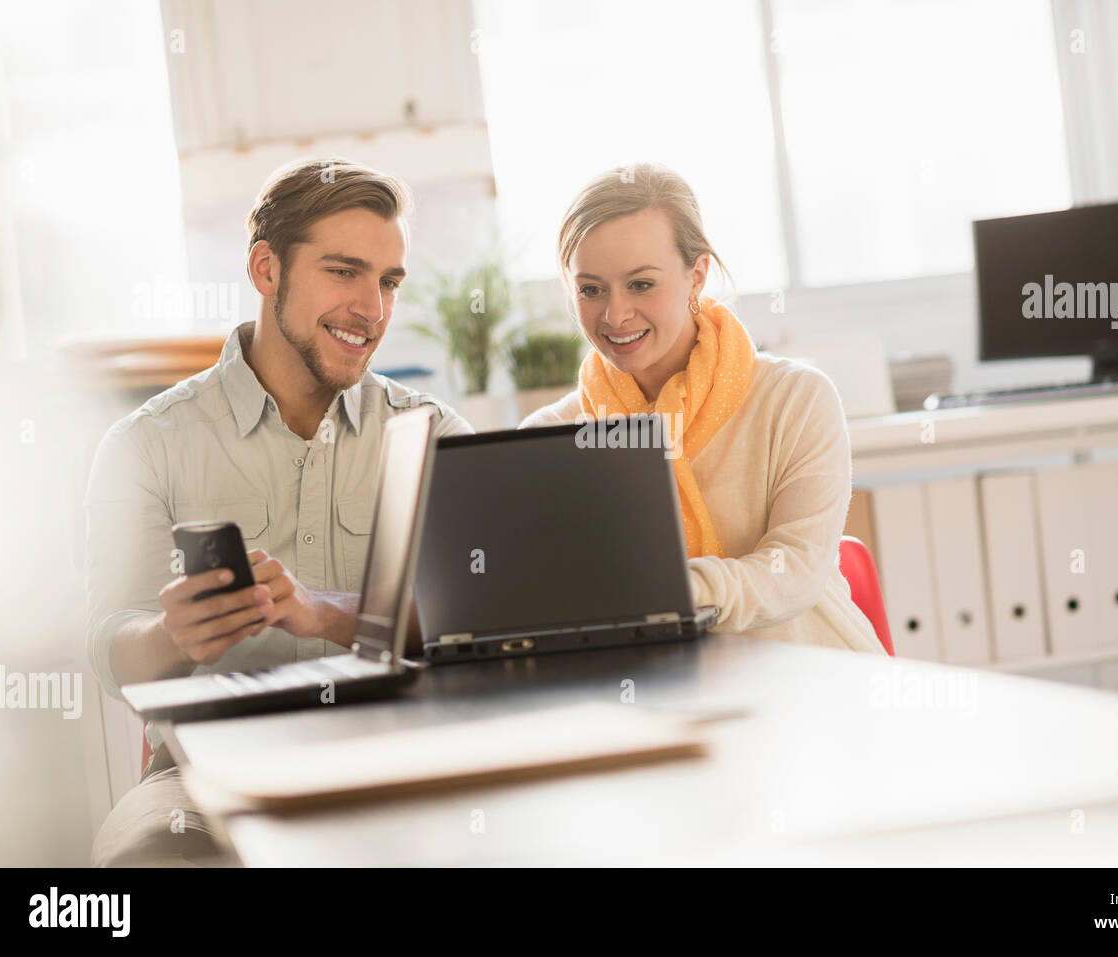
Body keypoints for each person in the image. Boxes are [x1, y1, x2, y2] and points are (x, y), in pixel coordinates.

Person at [86, 157, 472, 865]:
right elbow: (112, 653)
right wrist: (176, 634)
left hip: (405, 749)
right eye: (344, 271)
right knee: (143, 858)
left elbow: (478, 612)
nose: (373, 308)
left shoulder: (436, 434)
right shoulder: (146, 443)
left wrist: (324, 613)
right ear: (267, 269)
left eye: (388, 281)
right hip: (201, 776)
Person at [520, 162, 885, 656]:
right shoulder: (549, 436)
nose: (615, 314)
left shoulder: (794, 400)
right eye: (590, 289)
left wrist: (668, 593)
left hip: (814, 683)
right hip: (647, 701)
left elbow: (795, 570)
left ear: (697, 276)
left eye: (642, 284)